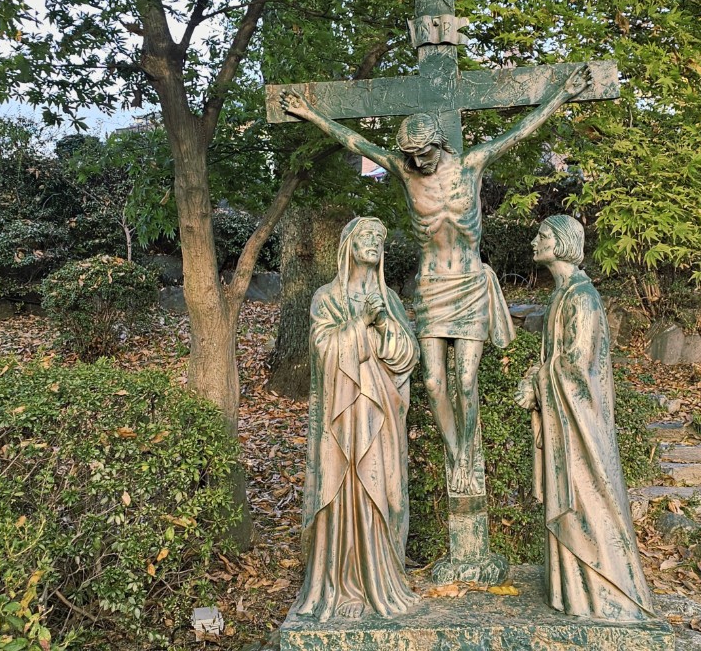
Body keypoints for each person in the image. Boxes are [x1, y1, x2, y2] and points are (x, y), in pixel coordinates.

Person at [280, 66, 590, 496]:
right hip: (431, 286)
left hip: (469, 283)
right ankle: (455, 451)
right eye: (411, 155)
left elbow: (518, 132)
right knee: (432, 382)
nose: (418, 161)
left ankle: (466, 455)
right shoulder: (406, 172)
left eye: (424, 153)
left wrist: (562, 95)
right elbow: (356, 142)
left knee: (466, 381)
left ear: (439, 144)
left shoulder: (470, 165)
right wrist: (312, 114)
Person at [514, 215, 655, 621]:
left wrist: (537, 382)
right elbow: (558, 361)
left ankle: (608, 592)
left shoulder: (582, 297)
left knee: (589, 499)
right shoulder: (562, 295)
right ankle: (577, 594)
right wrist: (536, 377)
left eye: (542, 235)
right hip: (565, 420)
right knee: (575, 501)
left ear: (560, 243)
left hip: (580, 423)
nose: (534, 241)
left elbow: (577, 366)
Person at [293, 217, 421, 621]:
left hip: (380, 417)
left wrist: (382, 323)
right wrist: (360, 322)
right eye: (366, 236)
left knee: (381, 489)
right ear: (348, 244)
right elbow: (323, 352)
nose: (374, 243)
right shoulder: (326, 299)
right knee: (346, 488)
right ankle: (346, 585)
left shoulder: (390, 300)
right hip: (342, 418)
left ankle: (381, 579)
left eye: (380, 238)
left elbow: (407, 357)